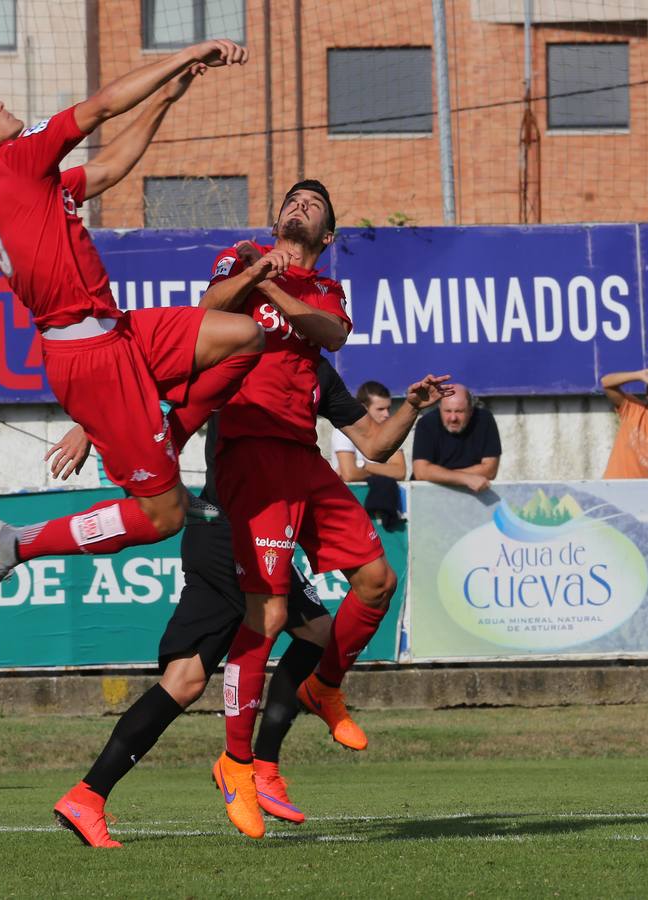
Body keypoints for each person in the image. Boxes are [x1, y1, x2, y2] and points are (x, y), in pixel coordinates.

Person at [0, 40, 267, 615]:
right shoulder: (12, 160)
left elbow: (108, 166)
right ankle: (15, 542)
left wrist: (166, 100)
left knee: (242, 336)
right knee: (165, 520)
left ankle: (162, 462)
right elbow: (103, 105)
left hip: (117, 334)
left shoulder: (19, 181)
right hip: (94, 356)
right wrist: (190, 53)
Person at [48, 363, 451, 848]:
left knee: (185, 680)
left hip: (221, 535)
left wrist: (411, 408)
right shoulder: (237, 352)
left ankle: (88, 795)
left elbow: (375, 443)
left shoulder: (314, 368)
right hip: (229, 533)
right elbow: (148, 383)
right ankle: (258, 767)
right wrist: (89, 426)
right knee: (315, 635)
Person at [197, 179, 404, 840]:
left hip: (300, 456)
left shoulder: (323, 296)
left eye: (314, 203)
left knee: (377, 580)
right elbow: (210, 309)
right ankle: (237, 762)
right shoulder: (242, 255)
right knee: (273, 611)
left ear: (328, 235)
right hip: (250, 450)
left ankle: (324, 686)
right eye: (293, 198)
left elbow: (334, 333)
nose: (301, 204)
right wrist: (260, 271)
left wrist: (281, 291)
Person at [333, 381, 407, 525]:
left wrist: (363, 466)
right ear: (363, 408)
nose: (386, 414)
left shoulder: (391, 431)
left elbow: (400, 471)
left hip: (383, 511)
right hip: (348, 509)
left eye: (388, 408)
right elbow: (350, 474)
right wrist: (384, 470)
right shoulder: (343, 430)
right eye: (380, 409)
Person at [411, 384, 502, 493]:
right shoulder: (426, 423)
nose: (453, 418)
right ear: (440, 408)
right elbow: (421, 472)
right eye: (448, 411)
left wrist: (438, 474)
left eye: (459, 411)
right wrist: (464, 478)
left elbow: (490, 470)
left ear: (471, 410)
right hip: (429, 494)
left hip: (473, 495)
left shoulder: (484, 420)